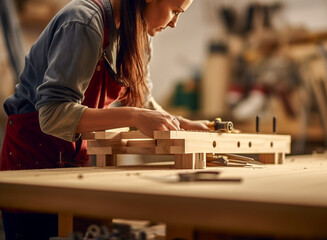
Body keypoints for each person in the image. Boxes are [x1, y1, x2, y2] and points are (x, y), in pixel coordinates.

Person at [0, 0, 210, 238]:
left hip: (73, 162)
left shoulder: (138, 33)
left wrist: (179, 123)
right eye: (174, 11)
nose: (174, 23)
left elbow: (140, 100)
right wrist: (133, 116)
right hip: (32, 161)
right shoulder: (84, 23)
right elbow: (52, 115)